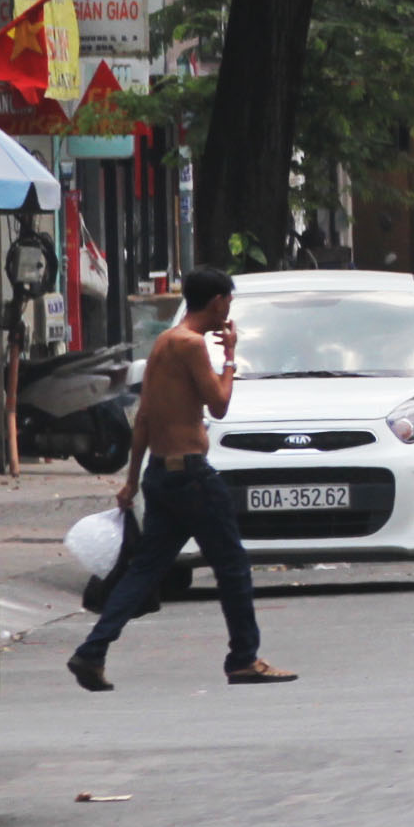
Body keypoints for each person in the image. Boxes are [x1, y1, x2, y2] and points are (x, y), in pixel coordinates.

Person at [69, 268, 295, 690]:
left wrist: (133, 480)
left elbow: (145, 421)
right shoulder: (192, 346)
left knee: (145, 569)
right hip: (192, 476)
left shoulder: (162, 343)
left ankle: (91, 651)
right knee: (232, 565)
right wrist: (230, 356)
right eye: (228, 302)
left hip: (160, 472)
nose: (229, 310)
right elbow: (221, 403)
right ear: (218, 302)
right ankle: (244, 658)